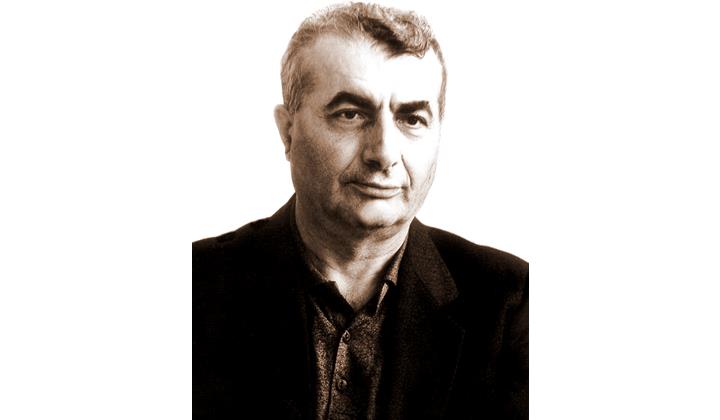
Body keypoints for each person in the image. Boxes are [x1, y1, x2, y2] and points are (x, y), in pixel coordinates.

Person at [193, 3, 528, 419]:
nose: (383, 153)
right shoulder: (194, 285)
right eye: (350, 114)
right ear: (288, 132)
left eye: (412, 119)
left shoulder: (514, 303)